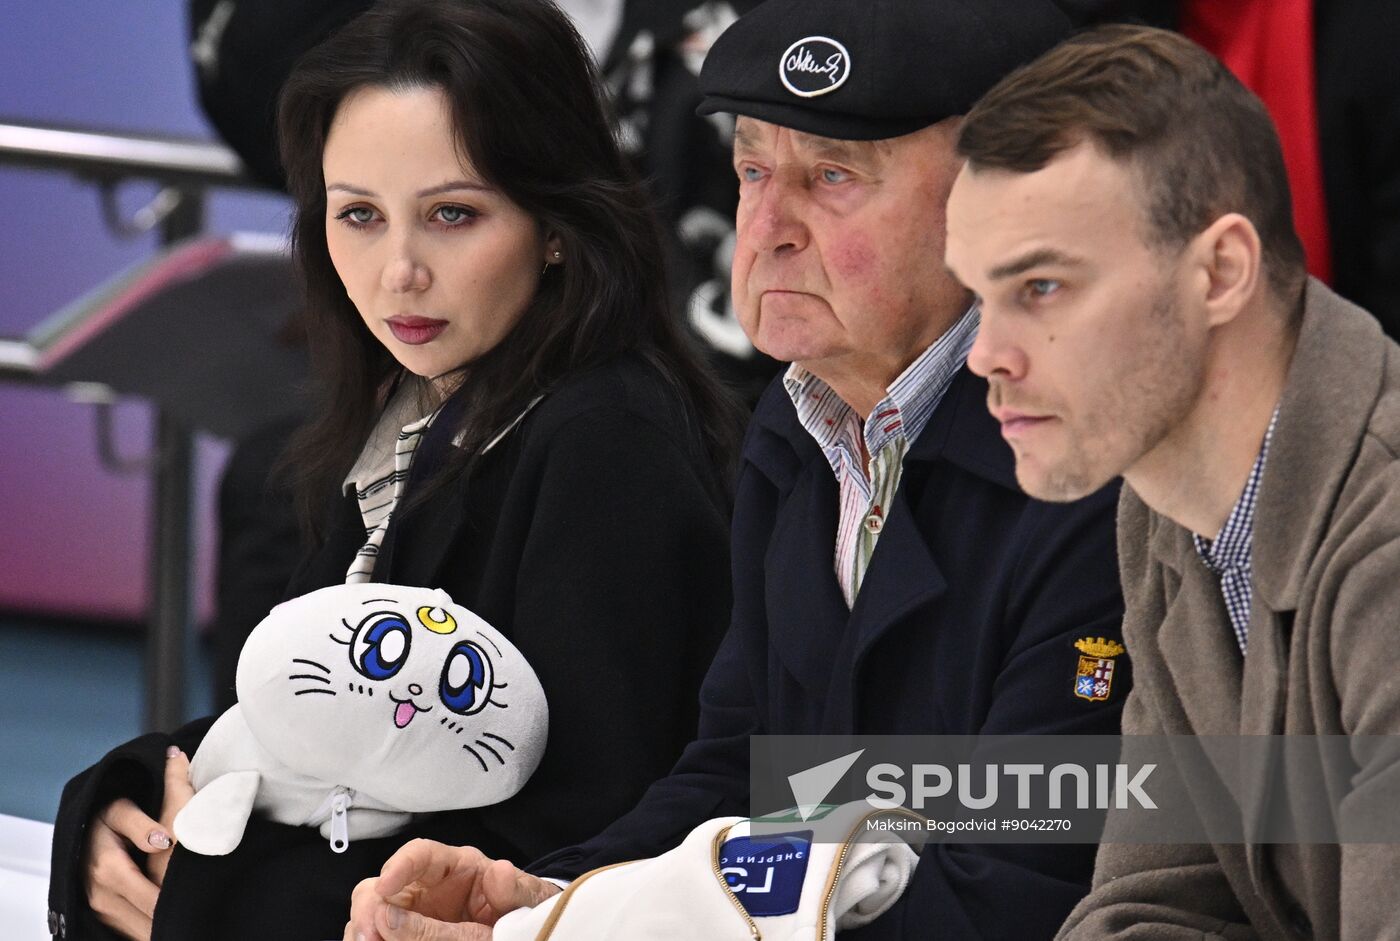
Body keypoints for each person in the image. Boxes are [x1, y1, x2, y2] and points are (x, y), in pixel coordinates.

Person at [346, 2, 1130, 940]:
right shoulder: (796, 427)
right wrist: (544, 898)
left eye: (833, 176)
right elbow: (741, 781)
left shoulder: (1091, 473)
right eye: (754, 170)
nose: (767, 228)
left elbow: (1019, 888)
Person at [46, 1, 744, 938]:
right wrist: (118, 812)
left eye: (453, 214)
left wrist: (215, 894)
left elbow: (572, 843)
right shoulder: (420, 403)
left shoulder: (609, 441)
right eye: (359, 216)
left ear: (555, 222)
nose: (398, 270)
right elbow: (299, 720)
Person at [943, 24, 1400, 941]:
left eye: (1041, 287)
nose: (984, 353)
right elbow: (1158, 899)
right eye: (978, 295)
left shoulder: (1387, 545)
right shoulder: (1168, 506)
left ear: (1220, 271)